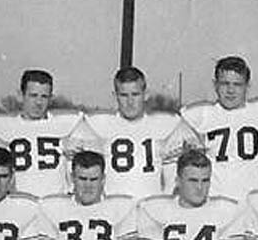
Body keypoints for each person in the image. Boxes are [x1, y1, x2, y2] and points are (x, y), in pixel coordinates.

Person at [70, 66, 198, 199]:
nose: (130, 102)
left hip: (151, 203)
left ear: (146, 94)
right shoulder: (96, 124)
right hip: (112, 204)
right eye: (124, 95)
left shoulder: (167, 124)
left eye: (135, 94)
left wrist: (166, 201)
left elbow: (174, 173)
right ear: (115, 96)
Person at [181, 56, 258, 200]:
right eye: (225, 84)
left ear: (247, 86)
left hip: (252, 200)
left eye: (237, 84)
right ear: (215, 84)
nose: (230, 90)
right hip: (214, 200)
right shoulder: (199, 116)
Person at [0, 69, 82, 197]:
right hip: (18, 200)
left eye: (44, 96)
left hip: (56, 199)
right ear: (21, 95)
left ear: (51, 98)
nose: (38, 102)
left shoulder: (65, 126)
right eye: (33, 95)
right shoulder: (4, 128)